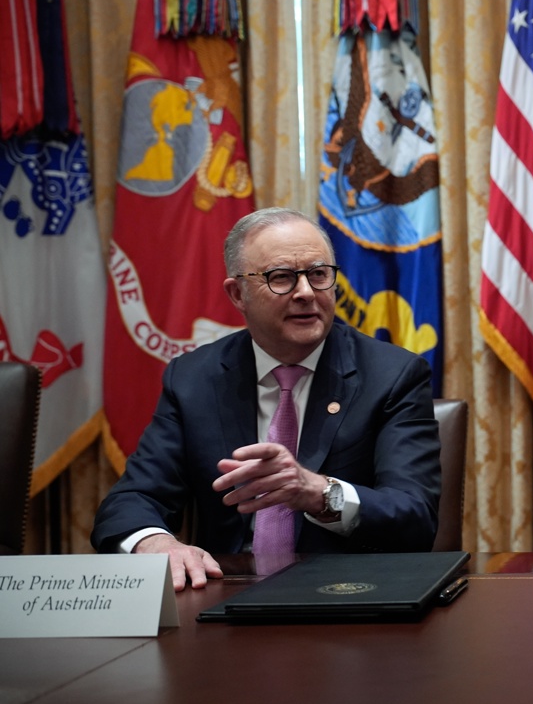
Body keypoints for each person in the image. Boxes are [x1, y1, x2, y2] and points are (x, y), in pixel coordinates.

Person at [92, 208, 441, 589]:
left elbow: (415, 516)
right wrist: (155, 542)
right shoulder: (194, 379)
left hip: (349, 598)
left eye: (319, 274)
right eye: (282, 278)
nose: (306, 293)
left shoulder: (392, 375)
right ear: (237, 294)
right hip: (228, 596)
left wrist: (321, 494)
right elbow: (133, 499)